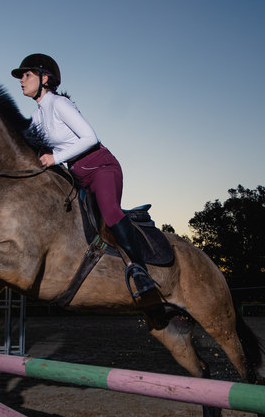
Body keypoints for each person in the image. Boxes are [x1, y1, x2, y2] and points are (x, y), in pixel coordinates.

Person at [12, 53, 158, 300]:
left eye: (26, 75)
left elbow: (90, 137)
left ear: (44, 78)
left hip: (101, 167)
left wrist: (54, 158)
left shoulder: (59, 104)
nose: (21, 80)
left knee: (110, 212)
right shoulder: (37, 116)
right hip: (78, 176)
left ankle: (141, 272)